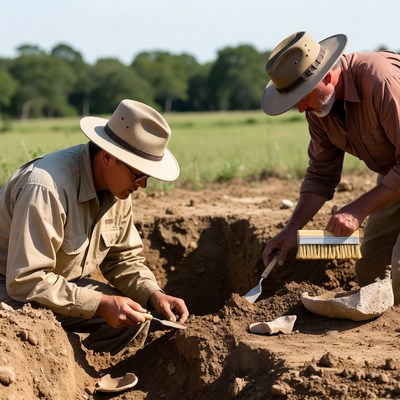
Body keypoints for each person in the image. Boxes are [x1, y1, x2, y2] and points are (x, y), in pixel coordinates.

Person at [0, 99, 189, 355]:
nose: (142, 185)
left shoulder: (119, 189)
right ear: (109, 156)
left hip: (57, 285)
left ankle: (91, 377)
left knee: (134, 318)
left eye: (148, 177)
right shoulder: (46, 188)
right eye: (139, 175)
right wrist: (99, 304)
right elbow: (25, 281)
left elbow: (122, 259)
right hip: (11, 291)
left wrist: (154, 294)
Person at [261, 31, 400, 304]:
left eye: (302, 97)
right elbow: (321, 175)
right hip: (394, 179)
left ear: (326, 76)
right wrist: (291, 231)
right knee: (371, 269)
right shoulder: (318, 109)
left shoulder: (381, 81)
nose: (300, 109)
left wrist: (358, 209)